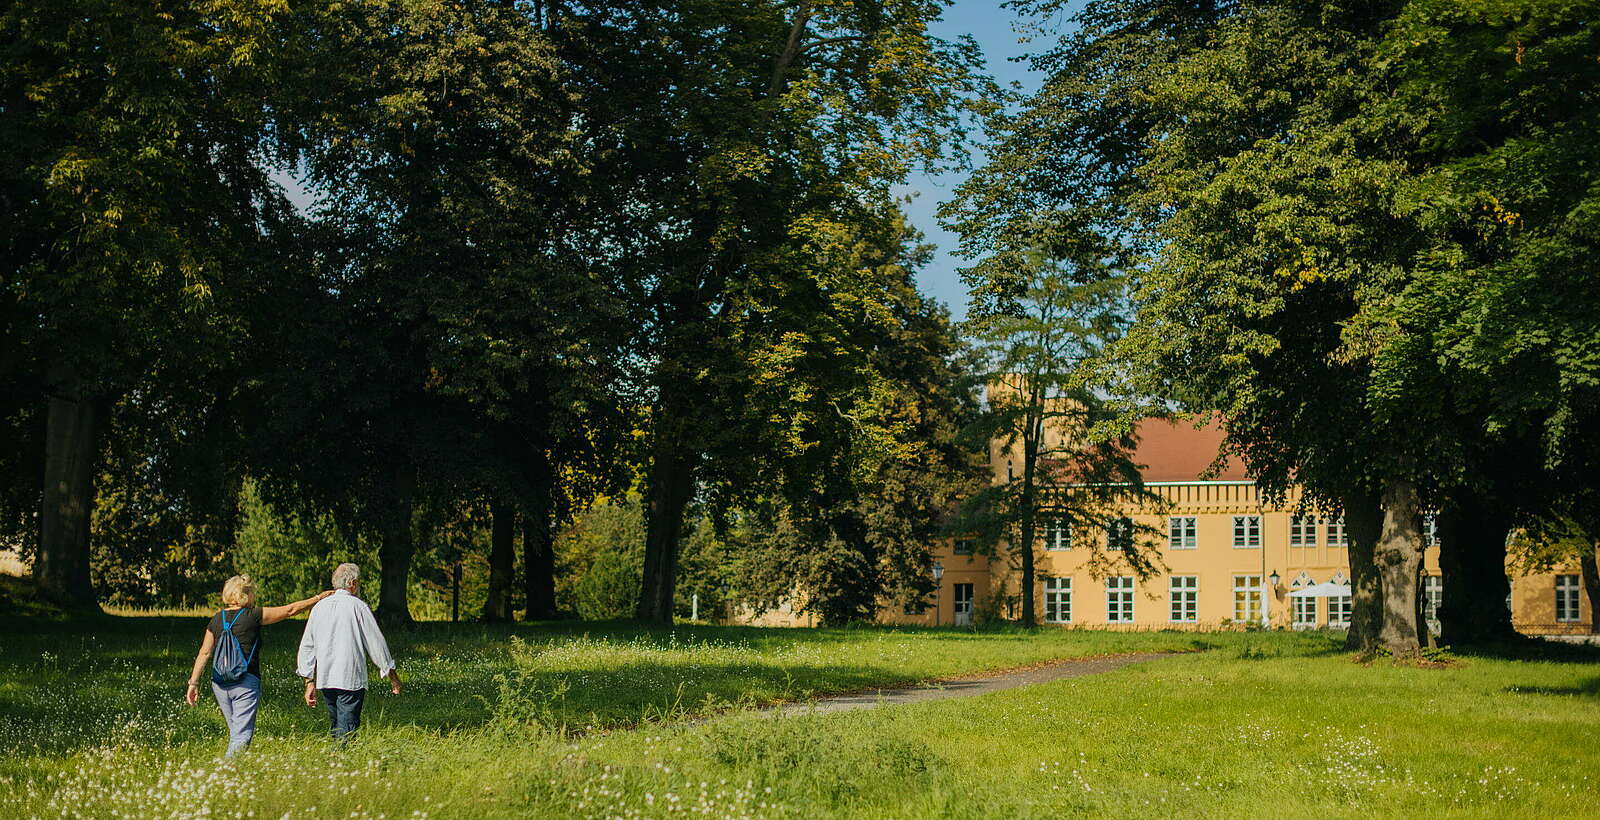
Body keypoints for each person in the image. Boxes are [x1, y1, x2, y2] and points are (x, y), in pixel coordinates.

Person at [184, 576, 333, 756]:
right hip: (245, 682)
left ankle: (235, 772)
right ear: (245, 595)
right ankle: (226, 772)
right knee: (241, 735)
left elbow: (204, 652)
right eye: (252, 592)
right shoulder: (252, 615)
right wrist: (318, 598)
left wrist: (193, 683)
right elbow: (290, 610)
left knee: (236, 732)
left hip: (220, 683)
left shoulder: (217, 618)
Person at [296, 563, 401, 740]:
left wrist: (309, 681)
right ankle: (343, 760)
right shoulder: (358, 607)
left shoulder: (319, 608)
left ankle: (336, 758)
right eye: (358, 583)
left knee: (336, 723)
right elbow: (376, 643)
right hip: (350, 677)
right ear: (352, 583)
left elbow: (307, 645)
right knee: (348, 727)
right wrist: (393, 676)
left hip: (326, 678)